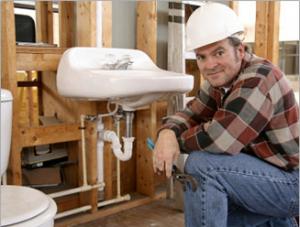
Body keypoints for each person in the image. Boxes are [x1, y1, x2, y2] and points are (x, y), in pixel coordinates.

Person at [153, 2, 299, 227]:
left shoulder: (258, 79)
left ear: (239, 50)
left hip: (291, 183)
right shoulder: (221, 79)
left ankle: (280, 215)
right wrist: (167, 133)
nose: (210, 65)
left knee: (202, 165)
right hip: (267, 173)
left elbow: (220, 140)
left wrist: (175, 141)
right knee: (211, 207)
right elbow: (191, 112)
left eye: (218, 52)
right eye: (201, 57)